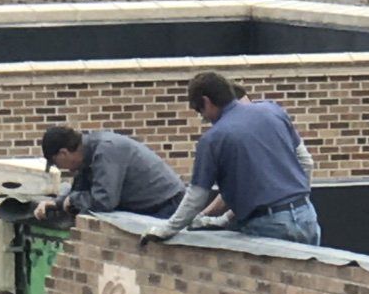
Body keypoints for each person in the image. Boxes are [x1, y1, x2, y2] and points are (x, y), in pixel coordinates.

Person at [141, 71, 320, 246]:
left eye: (199, 110)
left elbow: (196, 196)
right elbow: (306, 162)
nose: (203, 118)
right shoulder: (273, 111)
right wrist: (298, 199)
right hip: (307, 216)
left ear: (206, 101)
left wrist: (166, 229)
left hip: (267, 226)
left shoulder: (213, 139)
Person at [34, 125, 184, 222]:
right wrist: (57, 203)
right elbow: (80, 189)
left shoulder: (106, 151)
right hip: (150, 207)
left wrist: (73, 201)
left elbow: (104, 201)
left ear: (63, 153)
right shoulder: (87, 155)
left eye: (56, 163)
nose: (61, 168)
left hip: (167, 206)